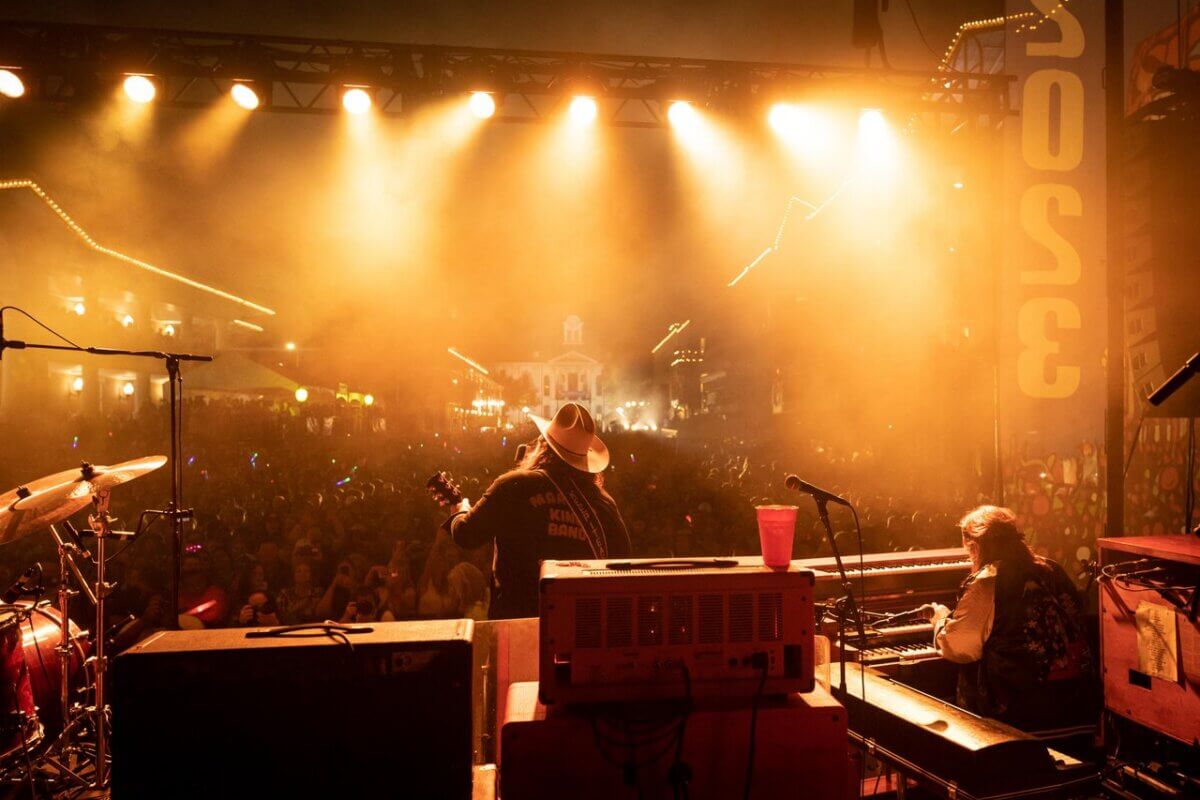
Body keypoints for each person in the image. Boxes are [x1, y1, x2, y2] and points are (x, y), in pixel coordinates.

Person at [448, 403, 631, 619]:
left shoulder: (513, 485)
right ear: (586, 459)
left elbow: (466, 535)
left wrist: (459, 511)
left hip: (518, 619)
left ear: (543, 445)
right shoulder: (603, 502)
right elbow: (623, 562)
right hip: (581, 624)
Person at [920, 505, 1095, 732]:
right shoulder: (1050, 569)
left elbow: (961, 647)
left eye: (969, 549)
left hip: (1016, 706)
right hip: (1074, 698)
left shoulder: (989, 580)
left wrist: (940, 619)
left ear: (976, 543)